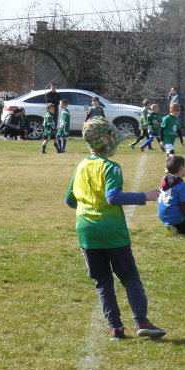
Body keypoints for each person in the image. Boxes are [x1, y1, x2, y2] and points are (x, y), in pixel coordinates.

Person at [65, 117, 166, 340]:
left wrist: (88, 204)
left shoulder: (81, 166)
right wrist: (144, 196)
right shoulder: (111, 167)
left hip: (87, 233)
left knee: (102, 282)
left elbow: (70, 200)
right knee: (129, 276)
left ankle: (115, 328)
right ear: (107, 143)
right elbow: (113, 197)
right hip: (112, 232)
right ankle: (142, 320)